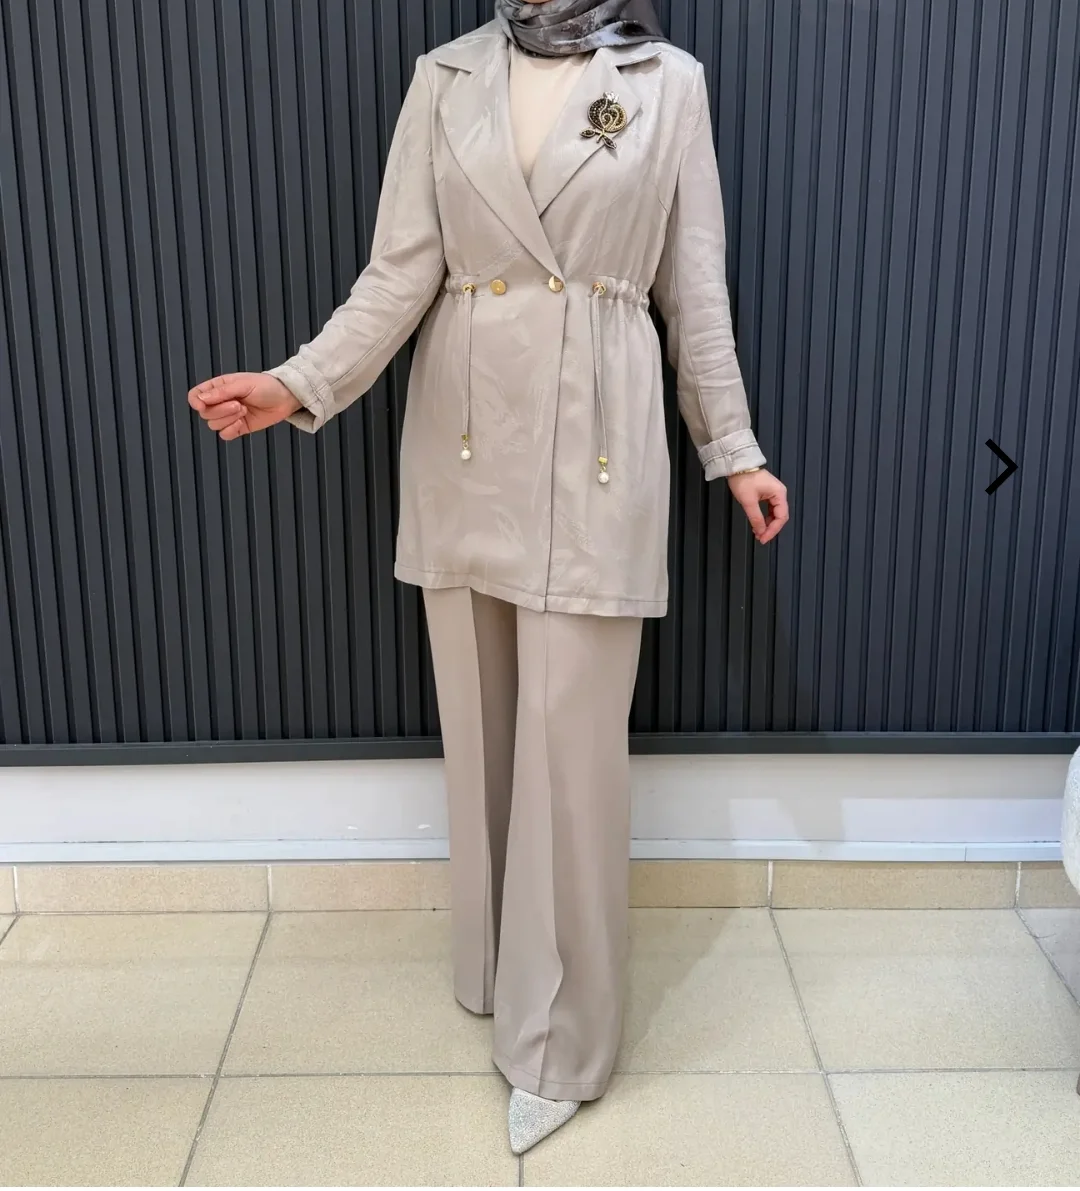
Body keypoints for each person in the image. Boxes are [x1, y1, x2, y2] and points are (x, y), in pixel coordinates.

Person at [188, 0, 789, 1154]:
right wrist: (298, 384)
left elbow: (695, 291)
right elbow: (397, 275)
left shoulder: (667, 81)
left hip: (597, 439)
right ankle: (495, 970)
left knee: (570, 749)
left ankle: (560, 1040)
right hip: (462, 434)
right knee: (480, 728)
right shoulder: (447, 76)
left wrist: (734, 449)